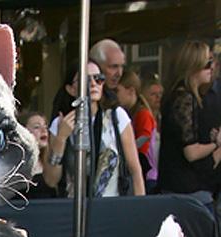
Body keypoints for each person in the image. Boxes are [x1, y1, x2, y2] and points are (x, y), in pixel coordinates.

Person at [43, 59, 145, 197]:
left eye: (99, 79)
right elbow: (51, 180)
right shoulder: (61, 123)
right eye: (85, 79)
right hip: (73, 209)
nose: (93, 84)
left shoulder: (116, 116)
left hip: (112, 207)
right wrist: (61, 138)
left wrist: (140, 209)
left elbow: (135, 170)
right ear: (71, 89)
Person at [158, 41, 221, 203]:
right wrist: (216, 143)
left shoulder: (182, 96)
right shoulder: (184, 98)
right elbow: (191, 153)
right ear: (194, 66)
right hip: (186, 190)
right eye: (207, 64)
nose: (211, 68)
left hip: (180, 187)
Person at [117, 69, 158, 189]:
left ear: (131, 91)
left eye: (117, 91)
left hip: (147, 175)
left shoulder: (142, 114)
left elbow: (143, 144)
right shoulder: (131, 113)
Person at [22, 111, 57, 198]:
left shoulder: (48, 162)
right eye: (37, 127)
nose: (44, 130)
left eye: (45, 126)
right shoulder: (14, 165)